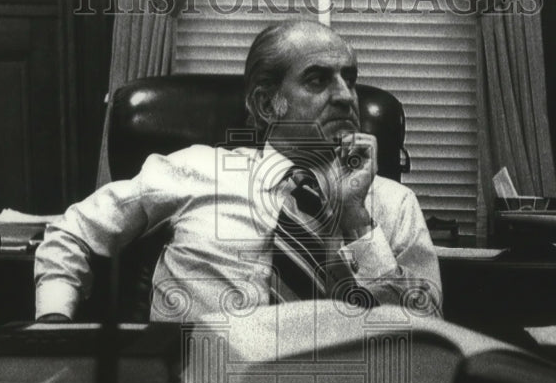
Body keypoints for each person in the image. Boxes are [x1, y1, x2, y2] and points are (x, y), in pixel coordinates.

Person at [34, 21, 441, 323]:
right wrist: (54, 321)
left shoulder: (391, 203)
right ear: (267, 105)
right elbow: (73, 232)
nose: (345, 96)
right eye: (318, 80)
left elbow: (427, 331)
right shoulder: (194, 169)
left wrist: (356, 220)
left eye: (349, 79)